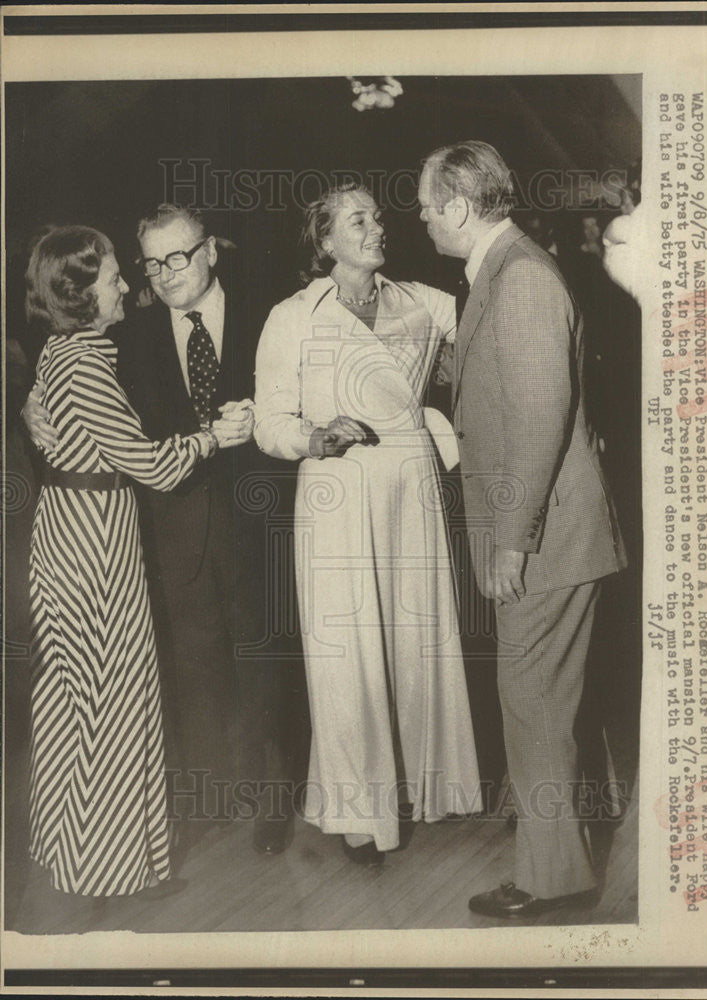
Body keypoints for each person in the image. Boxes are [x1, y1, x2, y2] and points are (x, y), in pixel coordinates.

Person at [22, 205, 303, 856]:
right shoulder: (125, 332)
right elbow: (65, 377)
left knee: (264, 663)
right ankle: (211, 796)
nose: (164, 273)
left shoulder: (272, 312)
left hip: (257, 520)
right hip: (166, 528)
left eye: (178, 256)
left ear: (212, 250)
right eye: (151, 262)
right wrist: (27, 404)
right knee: (192, 668)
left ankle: (271, 803)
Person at [418, 142, 627, 917]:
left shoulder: (524, 280)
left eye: (428, 204)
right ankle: (559, 859)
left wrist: (511, 540)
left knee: (531, 699)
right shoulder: (504, 273)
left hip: (544, 538)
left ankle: (552, 881)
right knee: (542, 701)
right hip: (551, 533)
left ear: (462, 207)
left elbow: (540, 423)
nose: (423, 216)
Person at [253, 183, 482, 865]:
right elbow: (269, 422)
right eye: (359, 220)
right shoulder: (293, 316)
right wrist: (314, 437)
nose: (378, 227)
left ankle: (424, 789)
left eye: (378, 216)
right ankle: (361, 816)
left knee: (417, 642)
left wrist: (454, 371)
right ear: (325, 241)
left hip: (411, 487)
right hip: (338, 493)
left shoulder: (422, 302)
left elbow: (487, 331)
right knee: (346, 653)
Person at [24, 225, 233, 896]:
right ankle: (105, 870)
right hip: (91, 554)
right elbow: (153, 465)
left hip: (79, 537)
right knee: (108, 703)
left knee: (83, 702)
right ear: (82, 291)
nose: (126, 284)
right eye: (114, 275)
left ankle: (81, 858)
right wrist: (212, 436)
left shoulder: (66, 351)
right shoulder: (84, 364)